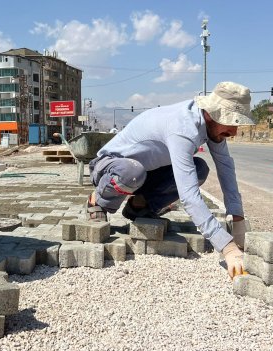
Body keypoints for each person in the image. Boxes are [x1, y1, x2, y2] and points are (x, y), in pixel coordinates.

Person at [85, 81, 254, 279]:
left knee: (199, 169)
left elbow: (226, 168)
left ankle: (138, 206)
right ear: (210, 113)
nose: (233, 132)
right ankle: (97, 201)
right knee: (132, 172)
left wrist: (238, 218)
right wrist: (228, 247)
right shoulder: (183, 127)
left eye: (236, 124)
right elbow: (189, 196)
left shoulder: (211, 127)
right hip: (110, 166)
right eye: (230, 123)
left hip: (145, 173)